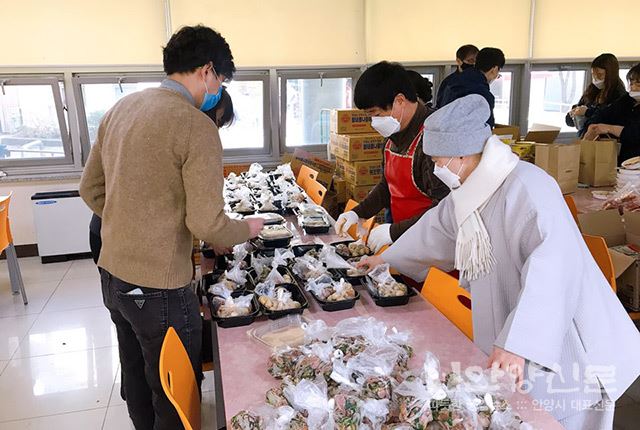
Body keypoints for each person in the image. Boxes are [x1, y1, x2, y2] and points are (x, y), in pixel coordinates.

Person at [358, 94, 640, 429]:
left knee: (567, 411)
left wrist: (517, 343)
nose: (435, 168)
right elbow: (436, 231)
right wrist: (385, 259)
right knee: (524, 407)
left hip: (568, 336)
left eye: (437, 159)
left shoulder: (527, 187)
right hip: (523, 328)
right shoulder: (471, 190)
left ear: (462, 152)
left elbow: (553, 271)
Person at [79, 25, 264, 430]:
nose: (216, 90)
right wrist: (248, 228)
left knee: (136, 372)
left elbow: (90, 189)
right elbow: (208, 224)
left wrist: (126, 222)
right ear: (208, 71)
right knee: (174, 390)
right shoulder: (195, 125)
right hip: (159, 287)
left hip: (112, 275)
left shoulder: (121, 109)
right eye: (221, 81)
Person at [88, 87, 237, 268]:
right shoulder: (181, 132)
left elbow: (90, 188)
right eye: (218, 120)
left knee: (116, 291)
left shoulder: (163, 124)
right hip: (124, 244)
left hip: (109, 234)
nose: (215, 128)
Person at [335, 61, 449, 254]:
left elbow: (445, 210)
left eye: (377, 114)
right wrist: (358, 213)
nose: (374, 122)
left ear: (400, 101)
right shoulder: (393, 136)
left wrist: (393, 231)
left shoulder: (433, 141)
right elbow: (387, 186)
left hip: (434, 246)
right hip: (407, 242)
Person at [583, 63, 640, 164]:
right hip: (624, 161)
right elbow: (604, 113)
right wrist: (593, 125)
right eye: (631, 83)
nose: (634, 88)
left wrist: (610, 128)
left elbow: (635, 133)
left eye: (638, 84)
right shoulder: (627, 100)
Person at [437, 47, 504, 127]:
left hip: (441, 133)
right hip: (465, 137)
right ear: (495, 69)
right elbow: (486, 127)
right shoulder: (483, 94)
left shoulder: (452, 81)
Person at [567, 53, 628, 137]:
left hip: (606, 141)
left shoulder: (619, 95)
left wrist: (587, 112)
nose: (595, 79)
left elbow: (610, 119)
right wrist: (574, 113)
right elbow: (570, 120)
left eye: (599, 75)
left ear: (610, 74)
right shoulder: (591, 91)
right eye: (593, 75)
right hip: (586, 137)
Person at [435, 44, 479, 109]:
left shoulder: (479, 81)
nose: (474, 64)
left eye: (476, 61)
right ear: (459, 61)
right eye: (470, 61)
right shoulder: (449, 82)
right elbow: (442, 107)